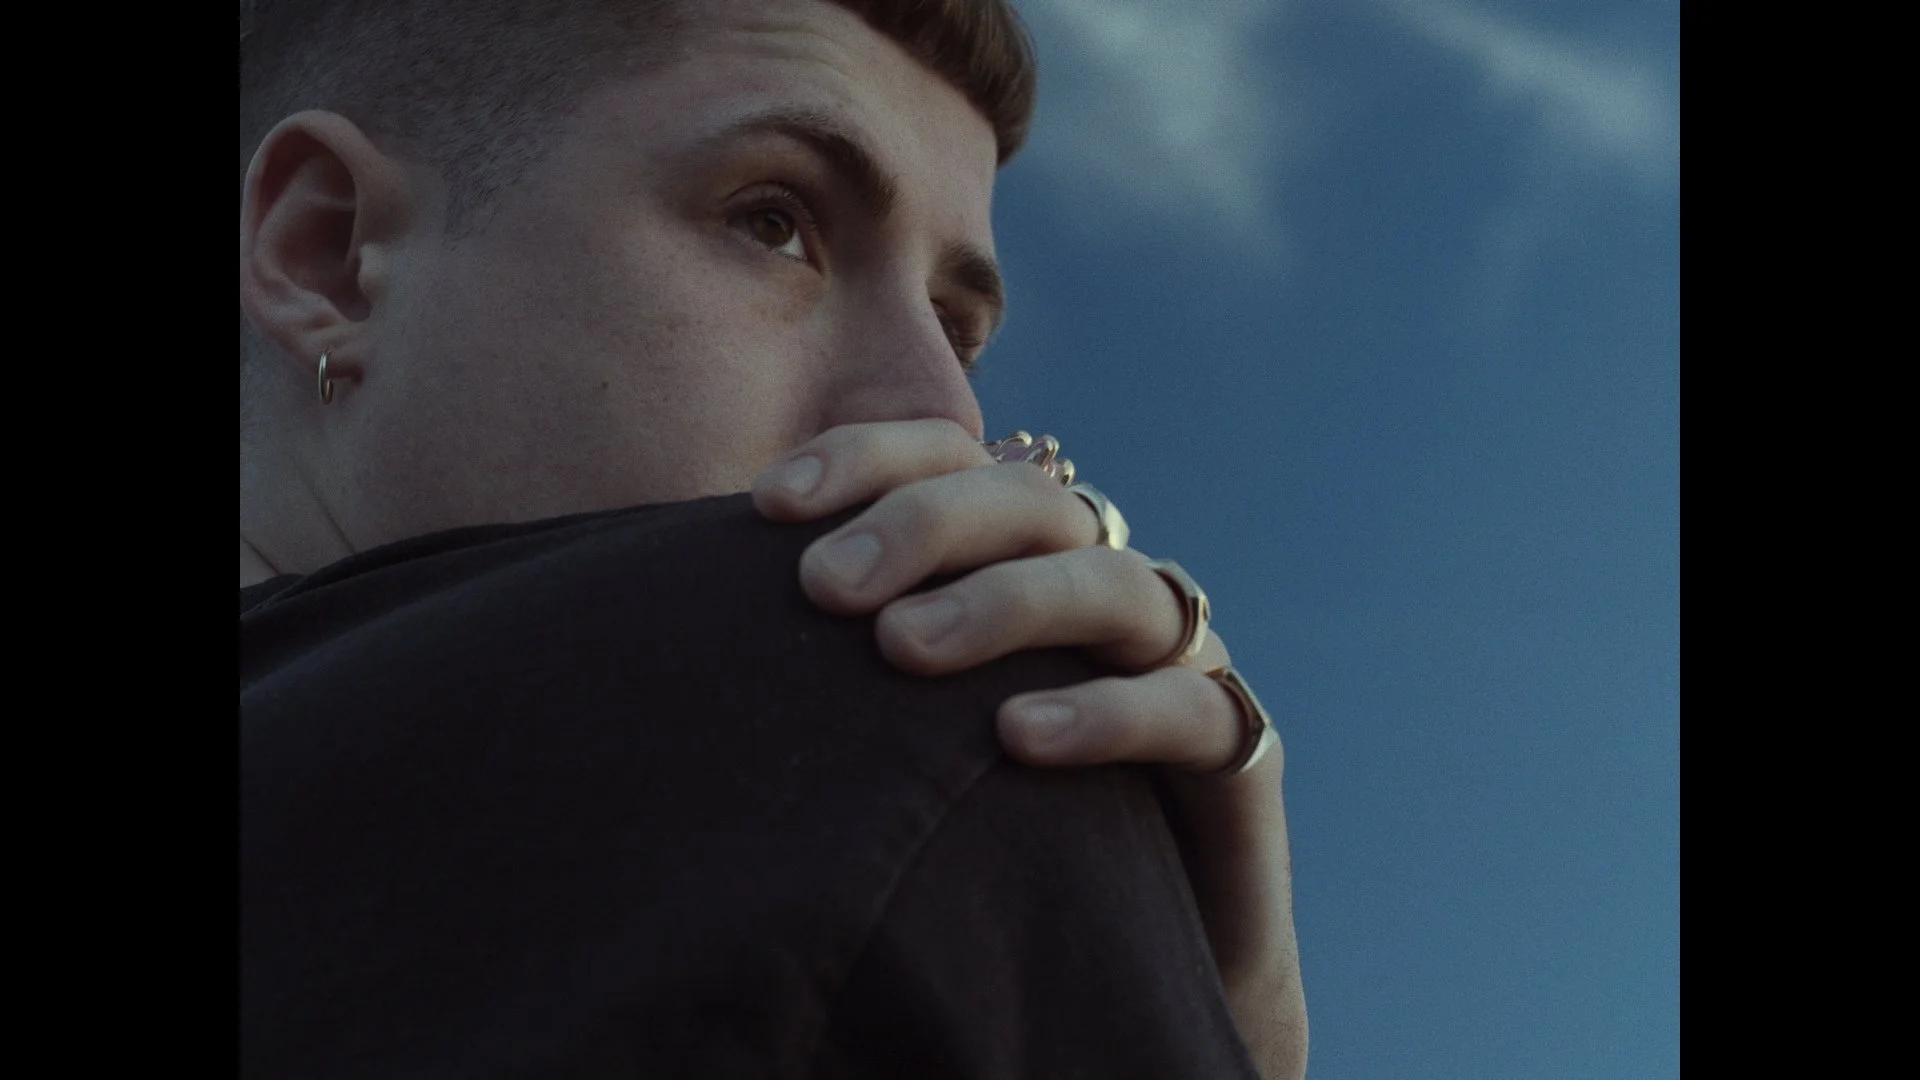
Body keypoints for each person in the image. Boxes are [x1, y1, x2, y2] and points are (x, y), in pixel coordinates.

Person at [239, 0, 1307, 1076]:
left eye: (955, 331)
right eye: (773, 223)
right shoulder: (918, 705)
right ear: (327, 254)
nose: (944, 414)